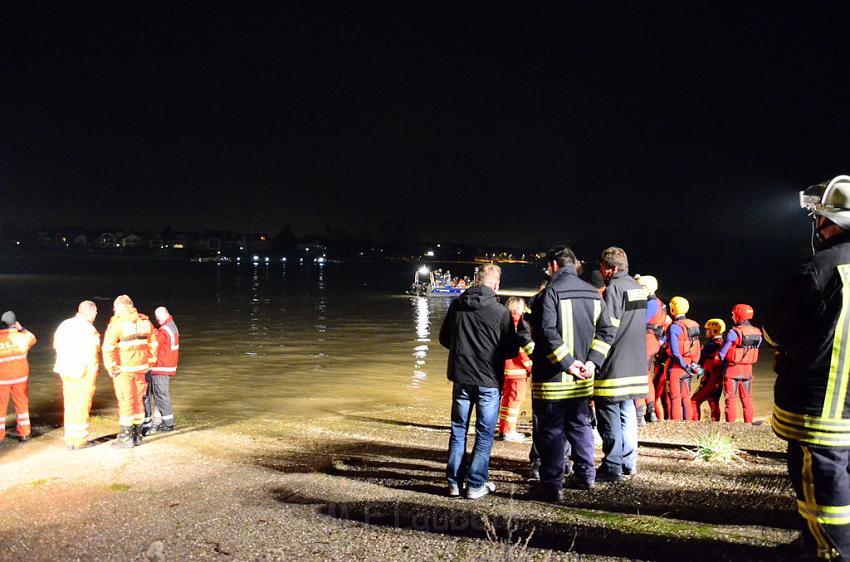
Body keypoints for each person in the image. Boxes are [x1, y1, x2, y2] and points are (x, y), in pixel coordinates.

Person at [766, 175, 850, 560]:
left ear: (830, 222)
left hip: (824, 409)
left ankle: (827, 551)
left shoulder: (821, 267)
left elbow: (775, 331)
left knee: (823, 489)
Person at [529, 247, 615, 500]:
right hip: (583, 379)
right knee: (581, 425)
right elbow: (607, 331)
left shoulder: (550, 293)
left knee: (553, 431)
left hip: (554, 379)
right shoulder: (592, 293)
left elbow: (546, 333)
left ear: (554, 265)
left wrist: (567, 363)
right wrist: (592, 362)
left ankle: (552, 486)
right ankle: (586, 476)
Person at [440, 263, 519, 499]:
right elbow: (511, 349)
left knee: (458, 430)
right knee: (484, 434)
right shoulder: (500, 311)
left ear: (477, 280)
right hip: (488, 380)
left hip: (461, 378)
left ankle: (454, 483)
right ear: (496, 284)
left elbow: (444, 338)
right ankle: (475, 485)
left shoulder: (457, 305)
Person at [594, 247, 648, 482]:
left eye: (603, 268)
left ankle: (612, 466)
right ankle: (629, 463)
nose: (601, 272)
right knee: (627, 412)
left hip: (615, 362)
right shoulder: (637, 288)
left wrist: (594, 358)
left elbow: (609, 327)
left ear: (613, 269)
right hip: (635, 362)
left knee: (608, 413)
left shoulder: (614, 288)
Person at [103, 295, 158, 448]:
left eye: (115, 308)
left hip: (124, 369)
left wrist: (111, 367)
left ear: (120, 307)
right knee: (138, 400)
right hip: (141, 368)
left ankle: (126, 438)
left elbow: (108, 347)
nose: (114, 311)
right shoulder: (146, 322)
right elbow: (154, 344)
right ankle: (137, 435)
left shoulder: (117, 324)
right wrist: (150, 363)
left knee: (126, 401)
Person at [53, 301, 101, 449]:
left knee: (70, 404)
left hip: (64, 369)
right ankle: (80, 441)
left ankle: (70, 440)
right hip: (82, 371)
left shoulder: (64, 325)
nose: (96, 315)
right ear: (90, 312)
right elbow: (92, 354)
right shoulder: (89, 329)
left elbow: (55, 345)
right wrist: (94, 374)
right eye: (95, 313)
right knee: (82, 404)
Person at [718, 304, 762, 423]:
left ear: (738, 316)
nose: (732, 317)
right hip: (748, 371)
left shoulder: (733, 333)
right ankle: (748, 425)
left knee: (730, 399)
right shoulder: (758, 333)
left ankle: (731, 426)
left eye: (733, 314)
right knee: (747, 399)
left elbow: (722, 353)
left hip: (732, 371)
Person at [497, 297, 532, 442]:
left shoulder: (502, 321)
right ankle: (509, 431)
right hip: (517, 370)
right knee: (514, 401)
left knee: (506, 401)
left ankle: (503, 428)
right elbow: (523, 349)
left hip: (503, 369)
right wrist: (531, 366)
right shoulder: (520, 324)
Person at [0, 311, 37, 442]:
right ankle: (25, 433)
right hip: (20, 378)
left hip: (1, 379)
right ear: (14, 324)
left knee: (0, 406)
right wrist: (21, 328)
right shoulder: (22, 337)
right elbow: (33, 338)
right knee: (21, 404)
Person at [143, 306, 180, 435]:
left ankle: (168, 424)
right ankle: (163, 421)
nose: (157, 319)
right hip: (167, 366)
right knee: (161, 395)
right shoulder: (171, 325)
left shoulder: (164, 330)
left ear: (164, 315)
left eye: (158, 317)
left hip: (161, 367)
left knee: (161, 395)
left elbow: (154, 342)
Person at [664, 297, 702, 421]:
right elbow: (697, 348)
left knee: (675, 398)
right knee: (686, 397)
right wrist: (693, 365)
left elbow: (675, 352)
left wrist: (683, 365)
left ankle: (676, 424)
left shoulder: (675, 327)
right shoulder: (693, 325)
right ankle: (688, 424)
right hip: (690, 364)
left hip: (676, 367)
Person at [635, 274, 665, 423]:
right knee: (646, 377)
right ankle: (651, 411)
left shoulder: (651, 303)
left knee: (640, 377)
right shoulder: (659, 303)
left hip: (646, 342)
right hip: (652, 342)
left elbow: (640, 321)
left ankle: (640, 412)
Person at [690, 318, 726, 421]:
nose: (705, 332)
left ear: (714, 330)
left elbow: (699, 364)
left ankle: (694, 423)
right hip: (719, 380)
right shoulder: (723, 344)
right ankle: (715, 423)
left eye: (707, 329)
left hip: (710, 379)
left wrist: (689, 366)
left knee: (694, 401)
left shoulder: (711, 345)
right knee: (713, 402)